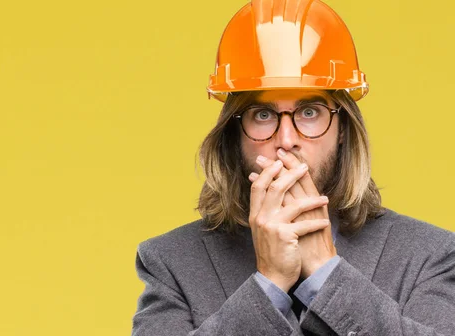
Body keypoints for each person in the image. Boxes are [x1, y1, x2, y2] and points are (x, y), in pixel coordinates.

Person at [131, 0, 455, 335]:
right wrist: (268, 284)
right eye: (263, 115)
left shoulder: (429, 255)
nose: (286, 140)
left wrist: (327, 274)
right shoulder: (170, 261)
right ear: (233, 134)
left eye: (310, 112)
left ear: (342, 129)